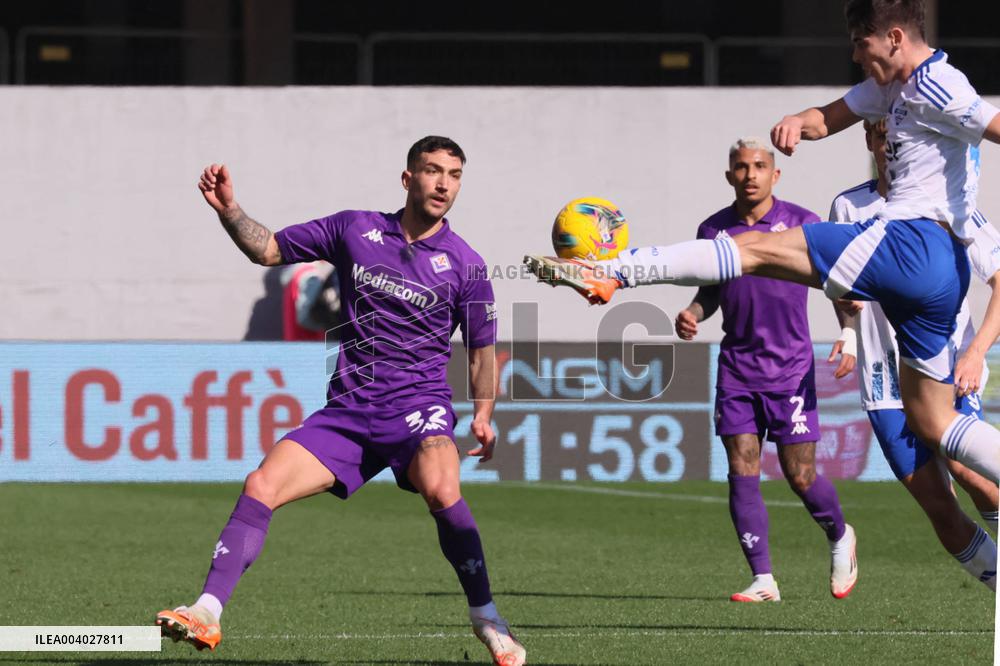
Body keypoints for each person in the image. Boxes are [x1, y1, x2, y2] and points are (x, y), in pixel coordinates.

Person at [525, 0, 1000, 487]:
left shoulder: (938, 83)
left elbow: (993, 124)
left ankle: (613, 272)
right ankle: (991, 566)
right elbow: (831, 117)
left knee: (750, 249)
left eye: (862, 43)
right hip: (941, 268)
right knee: (933, 421)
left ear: (895, 38)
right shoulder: (895, 87)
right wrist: (799, 121)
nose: (857, 56)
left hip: (909, 241)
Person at [156, 136, 527, 666]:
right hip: (349, 412)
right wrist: (230, 211)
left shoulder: (466, 263)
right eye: (432, 170)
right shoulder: (355, 228)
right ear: (407, 178)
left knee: (443, 490)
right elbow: (268, 250)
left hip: (418, 410)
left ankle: (486, 617)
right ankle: (207, 609)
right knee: (261, 484)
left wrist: (484, 414)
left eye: (455, 174)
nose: (444, 183)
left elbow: (482, 350)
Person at [675, 137, 856, 602]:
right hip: (736, 366)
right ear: (729, 175)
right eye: (741, 166)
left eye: (759, 166)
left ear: (776, 175)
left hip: (791, 368)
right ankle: (763, 579)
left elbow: (838, 283)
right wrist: (695, 311)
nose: (750, 174)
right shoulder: (713, 230)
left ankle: (840, 536)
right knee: (742, 467)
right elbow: (710, 290)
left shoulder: (803, 223)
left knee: (800, 476)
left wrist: (849, 334)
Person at [830, 117, 997, 589]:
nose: (892, 148)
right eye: (883, 138)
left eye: (901, 139)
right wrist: (846, 321)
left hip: (946, 371)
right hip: (883, 385)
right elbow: (842, 288)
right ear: (870, 140)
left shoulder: (951, 207)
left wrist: (976, 352)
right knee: (939, 508)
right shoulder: (848, 206)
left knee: (975, 477)